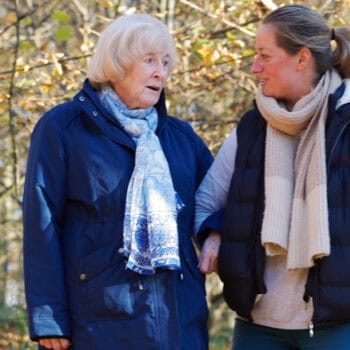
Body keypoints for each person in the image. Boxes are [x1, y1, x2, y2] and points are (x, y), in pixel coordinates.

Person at [23, 13, 212, 350]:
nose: (161, 72)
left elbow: (219, 202)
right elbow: (42, 225)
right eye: (150, 60)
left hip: (179, 321)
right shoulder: (63, 129)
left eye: (166, 62)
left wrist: (215, 235)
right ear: (117, 63)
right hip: (96, 324)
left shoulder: (180, 138)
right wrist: (49, 317)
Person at [195, 4, 350, 350]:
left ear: (301, 59)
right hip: (258, 326)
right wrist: (216, 232)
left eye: (265, 56)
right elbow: (207, 200)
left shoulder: (346, 122)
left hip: (337, 326)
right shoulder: (252, 127)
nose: (255, 67)